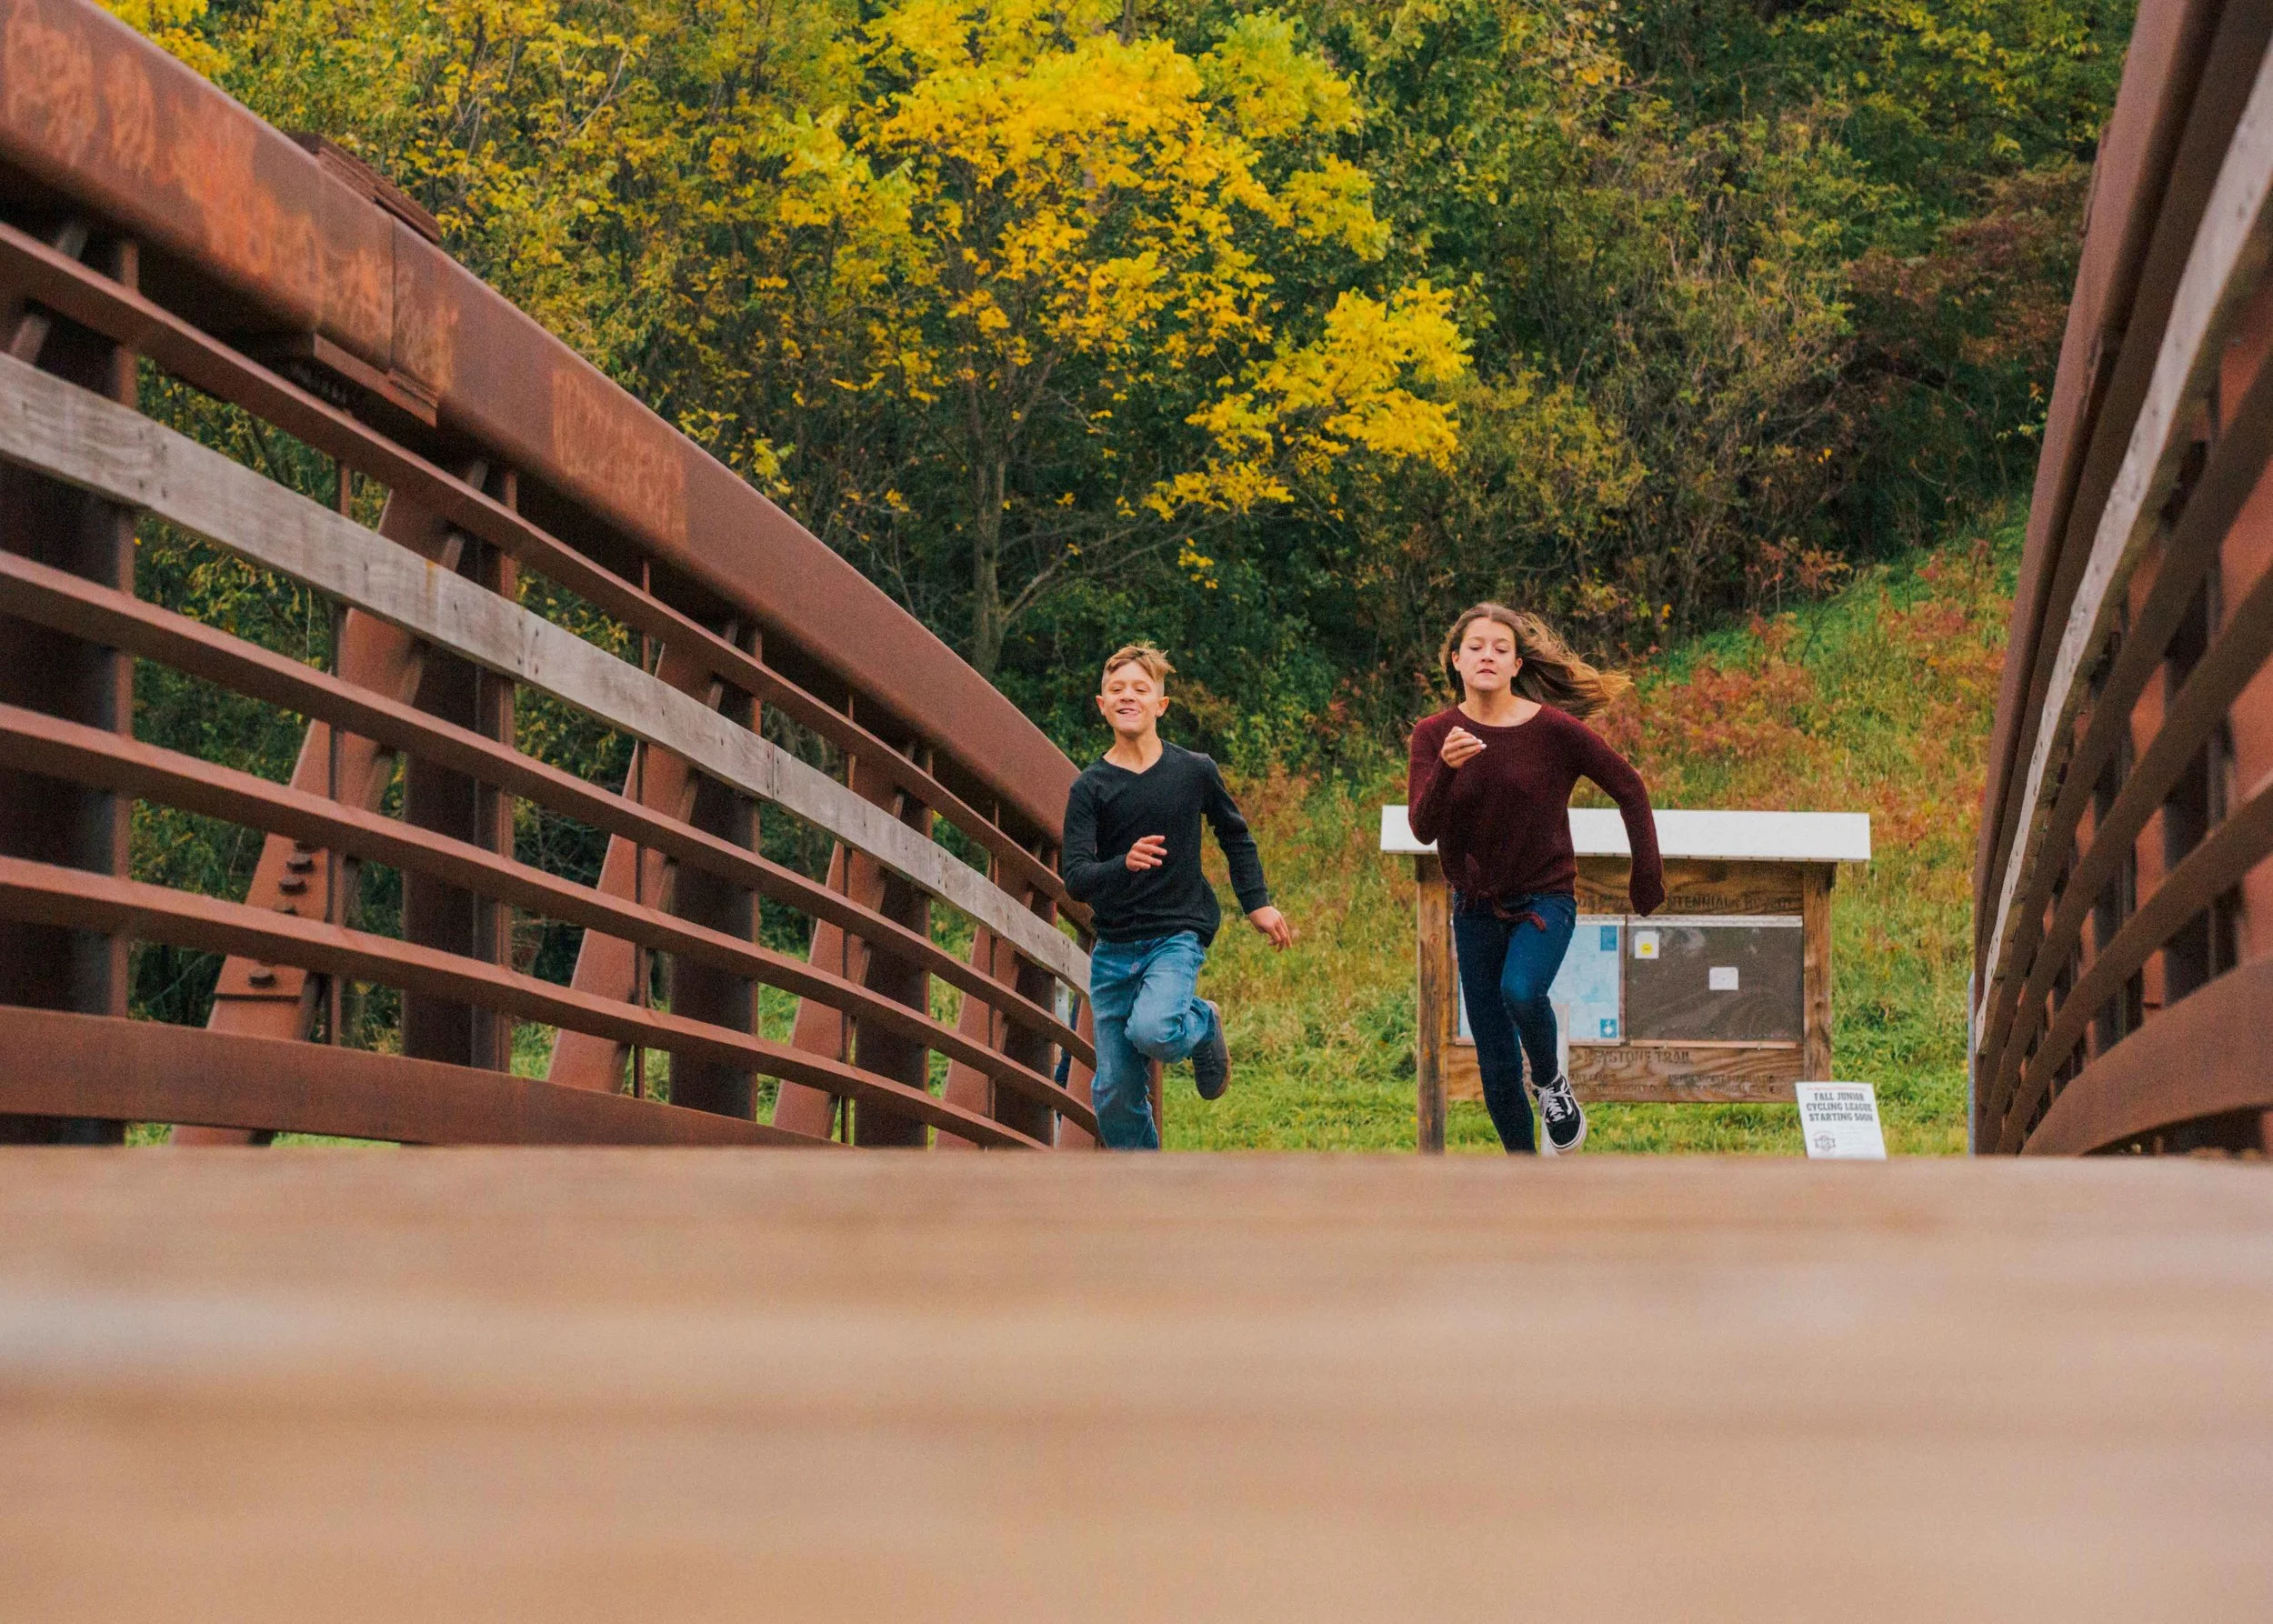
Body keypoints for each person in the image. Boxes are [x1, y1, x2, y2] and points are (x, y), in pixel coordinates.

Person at [1407, 605, 1663, 1155]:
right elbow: (1423, 829)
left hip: (1546, 898)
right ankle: (1521, 1178)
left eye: (1500, 648)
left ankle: (1550, 1083)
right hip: (1474, 909)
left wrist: (1646, 875)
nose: (1487, 656)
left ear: (1517, 663)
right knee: (1495, 1059)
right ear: (1455, 661)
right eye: (1475, 646)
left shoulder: (1552, 731)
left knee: (1521, 991)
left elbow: (1630, 787)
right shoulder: (1433, 736)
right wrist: (1446, 773)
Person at [1063, 644, 1295, 1149]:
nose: (1129, 697)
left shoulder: (1193, 770)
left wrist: (1256, 902)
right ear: (1101, 704)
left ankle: (1202, 1019)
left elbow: (1235, 835)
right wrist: (1121, 863)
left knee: (1155, 1030)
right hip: (1114, 950)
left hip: (1175, 935)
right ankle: (1148, 1190)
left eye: (1141, 689)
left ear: (1160, 706)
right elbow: (1076, 878)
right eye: (1118, 690)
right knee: (1113, 1095)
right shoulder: (1090, 788)